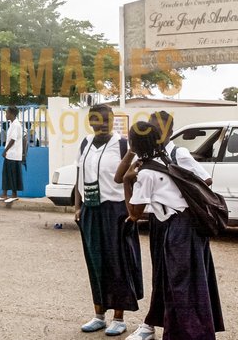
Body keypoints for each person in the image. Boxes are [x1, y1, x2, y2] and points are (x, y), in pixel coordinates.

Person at [124, 122, 224, 340]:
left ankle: (187, 335)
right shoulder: (165, 161)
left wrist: (127, 180)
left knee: (179, 287)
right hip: (190, 226)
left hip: (178, 229)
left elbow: (133, 213)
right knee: (191, 284)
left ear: (135, 144)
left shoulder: (147, 173)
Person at [75, 104, 141, 336]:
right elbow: (79, 175)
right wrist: (78, 207)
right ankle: (99, 315)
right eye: (96, 120)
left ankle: (119, 318)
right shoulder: (85, 144)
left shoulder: (123, 145)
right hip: (90, 210)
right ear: (90, 122)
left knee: (117, 263)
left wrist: (131, 209)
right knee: (95, 262)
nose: (101, 124)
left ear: (113, 121)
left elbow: (134, 176)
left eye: (106, 120)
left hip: (116, 211)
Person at [0, 106, 26, 204]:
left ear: (12, 113)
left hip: (13, 154)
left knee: (13, 175)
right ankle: (5, 193)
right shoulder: (12, 124)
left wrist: (5, 150)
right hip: (10, 154)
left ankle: (14, 194)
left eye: (7, 112)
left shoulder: (16, 125)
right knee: (6, 174)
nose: (6, 114)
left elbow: (13, 139)